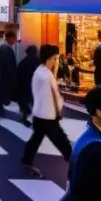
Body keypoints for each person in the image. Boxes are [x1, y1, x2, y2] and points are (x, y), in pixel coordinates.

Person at [21, 44, 73, 177]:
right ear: (48, 58)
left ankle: (26, 161)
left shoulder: (40, 71)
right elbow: (53, 97)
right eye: (54, 58)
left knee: (36, 139)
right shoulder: (46, 76)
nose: (56, 62)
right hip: (47, 116)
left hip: (39, 114)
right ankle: (76, 164)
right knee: (63, 142)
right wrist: (58, 110)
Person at [0, 29, 19, 124]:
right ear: (10, 38)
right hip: (6, 79)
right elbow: (8, 66)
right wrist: (13, 78)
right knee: (1, 98)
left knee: (1, 98)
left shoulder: (3, 48)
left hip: (4, 78)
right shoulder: (6, 49)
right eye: (15, 39)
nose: (15, 41)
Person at [15, 44, 39, 126]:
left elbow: (18, 75)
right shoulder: (38, 62)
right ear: (35, 52)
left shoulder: (23, 62)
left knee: (24, 103)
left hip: (24, 88)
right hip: (35, 88)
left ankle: (25, 117)